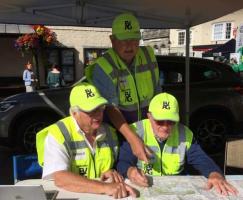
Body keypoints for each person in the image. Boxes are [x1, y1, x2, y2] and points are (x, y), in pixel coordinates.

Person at [116, 92, 238, 196]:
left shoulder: (185, 134)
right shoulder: (135, 132)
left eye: (170, 122)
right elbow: (122, 162)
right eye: (159, 121)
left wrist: (214, 173)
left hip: (174, 191)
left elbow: (201, 159)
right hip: (143, 189)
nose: (165, 127)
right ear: (149, 117)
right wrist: (130, 170)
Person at [36, 82, 137, 198]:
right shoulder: (58, 133)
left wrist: (111, 171)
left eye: (101, 108)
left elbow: (114, 164)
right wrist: (105, 187)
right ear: (74, 113)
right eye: (91, 111)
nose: (98, 114)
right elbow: (60, 178)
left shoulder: (110, 133)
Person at [85, 12, 161, 163]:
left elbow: (157, 91)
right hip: (118, 131)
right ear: (112, 40)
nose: (129, 46)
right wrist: (133, 138)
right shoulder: (103, 67)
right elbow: (111, 109)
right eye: (123, 40)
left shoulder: (148, 55)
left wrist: (157, 125)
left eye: (134, 40)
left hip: (148, 128)